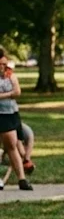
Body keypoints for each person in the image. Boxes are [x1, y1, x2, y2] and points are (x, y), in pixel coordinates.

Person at [0, 47, 32, 191]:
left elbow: (17, 91)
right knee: (11, 146)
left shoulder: (9, 75)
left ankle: (22, 179)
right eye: (1, 64)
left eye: (5, 64)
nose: (4, 67)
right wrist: (9, 93)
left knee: (13, 146)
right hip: (2, 115)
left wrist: (3, 95)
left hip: (11, 114)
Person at [0, 121, 34, 190]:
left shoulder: (28, 134)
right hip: (9, 122)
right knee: (11, 149)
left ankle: (21, 180)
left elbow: (23, 151)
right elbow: (21, 151)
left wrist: (26, 159)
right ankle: (22, 180)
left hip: (10, 122)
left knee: (11, 149)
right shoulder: (24, 133)